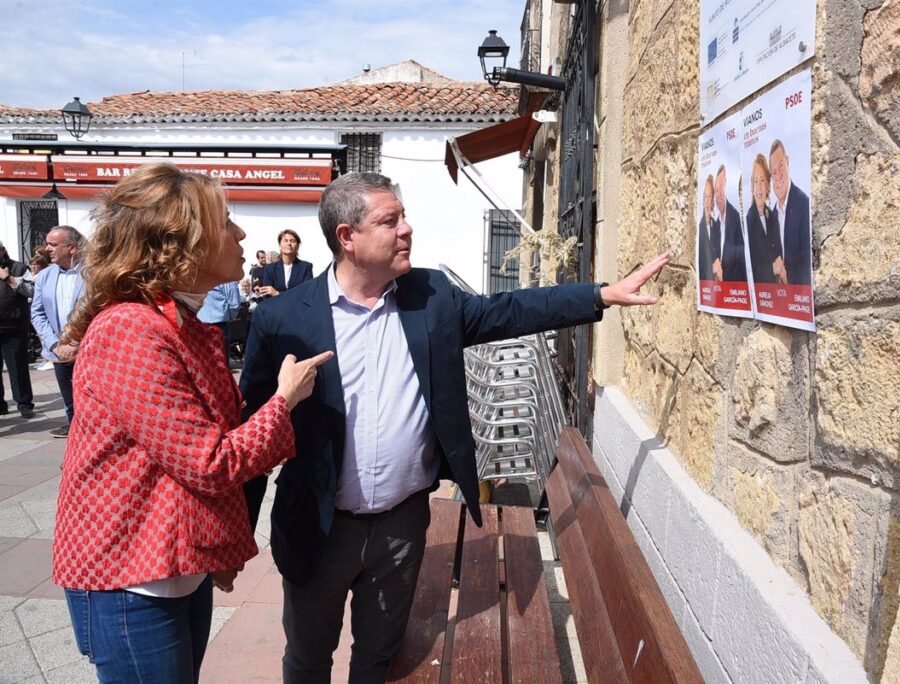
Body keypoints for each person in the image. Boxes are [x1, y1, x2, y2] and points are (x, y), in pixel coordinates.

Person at [240, 172, 669, 682]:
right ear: (347, 238)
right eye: (389, 220)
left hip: (401, 528)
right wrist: (236, 537)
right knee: (308, 661)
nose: (407, 230)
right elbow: (253, 435)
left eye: (404, 217)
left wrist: (600, 295)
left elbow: (508, 311)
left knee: (377, 662)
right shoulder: (283, 318)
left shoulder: (431, 296)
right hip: (318, 526)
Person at [52, 163, 332, 683]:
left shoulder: (176, 325)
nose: (242, 233)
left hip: (173, 567)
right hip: (129, 579)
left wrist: (216, 549)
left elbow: (187, 461)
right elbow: (210, 460)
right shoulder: (131, 331)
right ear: (182, 242)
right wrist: (284, 401)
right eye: (225, 221)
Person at [30, 226, 86, 437]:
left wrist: (77, 343)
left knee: (90, 402)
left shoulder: (93, 272)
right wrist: (55, 344)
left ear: (72, 248)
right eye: (47, 244)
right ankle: (75, 444)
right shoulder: (44, 276)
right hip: (59, 352)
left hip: (86, 350)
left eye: (53, 245)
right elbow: (37, 314)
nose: (47, 249)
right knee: (69, 402)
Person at [769, 139, 812, 286]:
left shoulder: (803, 204)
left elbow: (808, 264)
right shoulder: (772, 215)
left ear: (787, 162)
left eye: (781, 166)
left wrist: (786, 277)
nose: (778, 175)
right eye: (774, 172)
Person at [0, 240, 34, 418]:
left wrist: (8, 278)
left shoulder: (19, 268)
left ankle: (24, 404)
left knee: (18, 368)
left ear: (3, 251)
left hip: (13, 326)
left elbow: (31, 291)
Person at [745, 154, 784, 284]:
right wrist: (772, 268)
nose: (759, 187)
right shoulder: (748, 221)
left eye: (762, 180)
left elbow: (779, 255)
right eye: (755, 181)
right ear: (751, 187)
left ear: (768, 185)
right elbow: (750, 267)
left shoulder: (773, 217)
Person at [714, 165, 747, 283]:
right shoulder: (715, 225)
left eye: (721, 187)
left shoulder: (737, 220)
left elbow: (745, 265)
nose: (718, 194)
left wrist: (724, 277)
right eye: (716, 190)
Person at [197, 280, 243, 362]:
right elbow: (234, 305)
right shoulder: (227, 277)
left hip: (198, 323)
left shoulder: (200, 273)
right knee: (221, 364)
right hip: (219, 324)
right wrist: (229, 317)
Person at [258, 230, 312, 297]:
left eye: (292, 241)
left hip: (298, 307)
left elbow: (306, 293)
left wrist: (278, 294)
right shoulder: (270, 269)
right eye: (285, 240)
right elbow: (267, 296)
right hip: (276, 307)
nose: (289, 243)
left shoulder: (306, 267)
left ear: (298, 246)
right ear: (280, 245)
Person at [697, 174, 721, 282]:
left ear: (712, 201)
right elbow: (698, 264)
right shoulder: (698, 229)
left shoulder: (716, 226)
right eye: (705, 197)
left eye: (709, 197)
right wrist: (712, 269)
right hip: (705, 286)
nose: (707, 201)